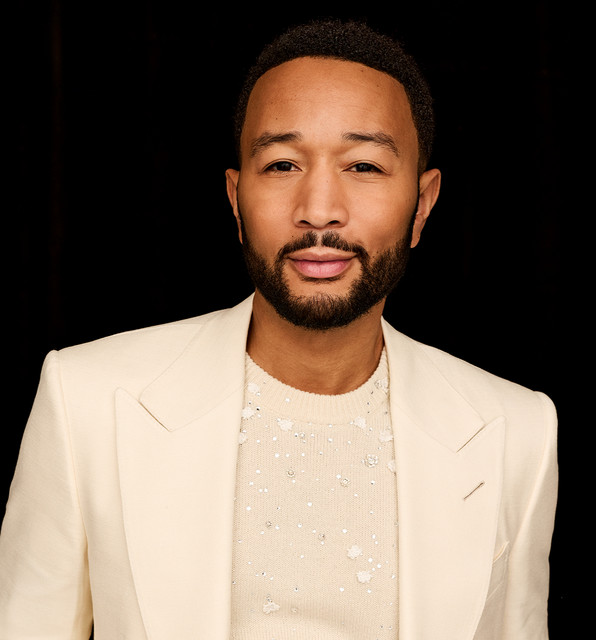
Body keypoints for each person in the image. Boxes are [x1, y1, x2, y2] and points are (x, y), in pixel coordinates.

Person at [0, 18, 558, 640]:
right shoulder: (86, 401)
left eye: (364, 166)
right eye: (283, 164)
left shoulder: (518, 432)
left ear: (423, 205)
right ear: (235, 199)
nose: (319, 211)